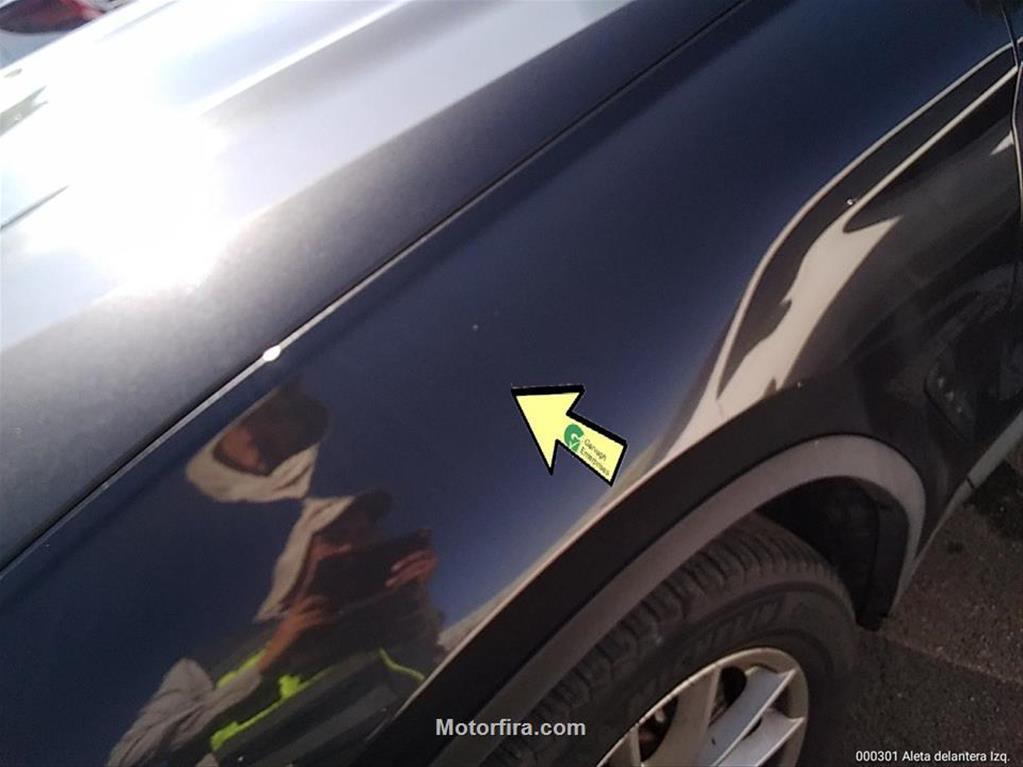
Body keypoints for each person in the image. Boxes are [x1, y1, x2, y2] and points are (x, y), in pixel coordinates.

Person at [108, 383, 440, 767]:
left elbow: (437, 697)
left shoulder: (383, 623)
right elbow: (127, 759)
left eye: (365, 535)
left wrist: (416, 607)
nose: (351, 548)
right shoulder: (208, 661)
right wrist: (265, 665)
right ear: (301, 557)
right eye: (334, 536)